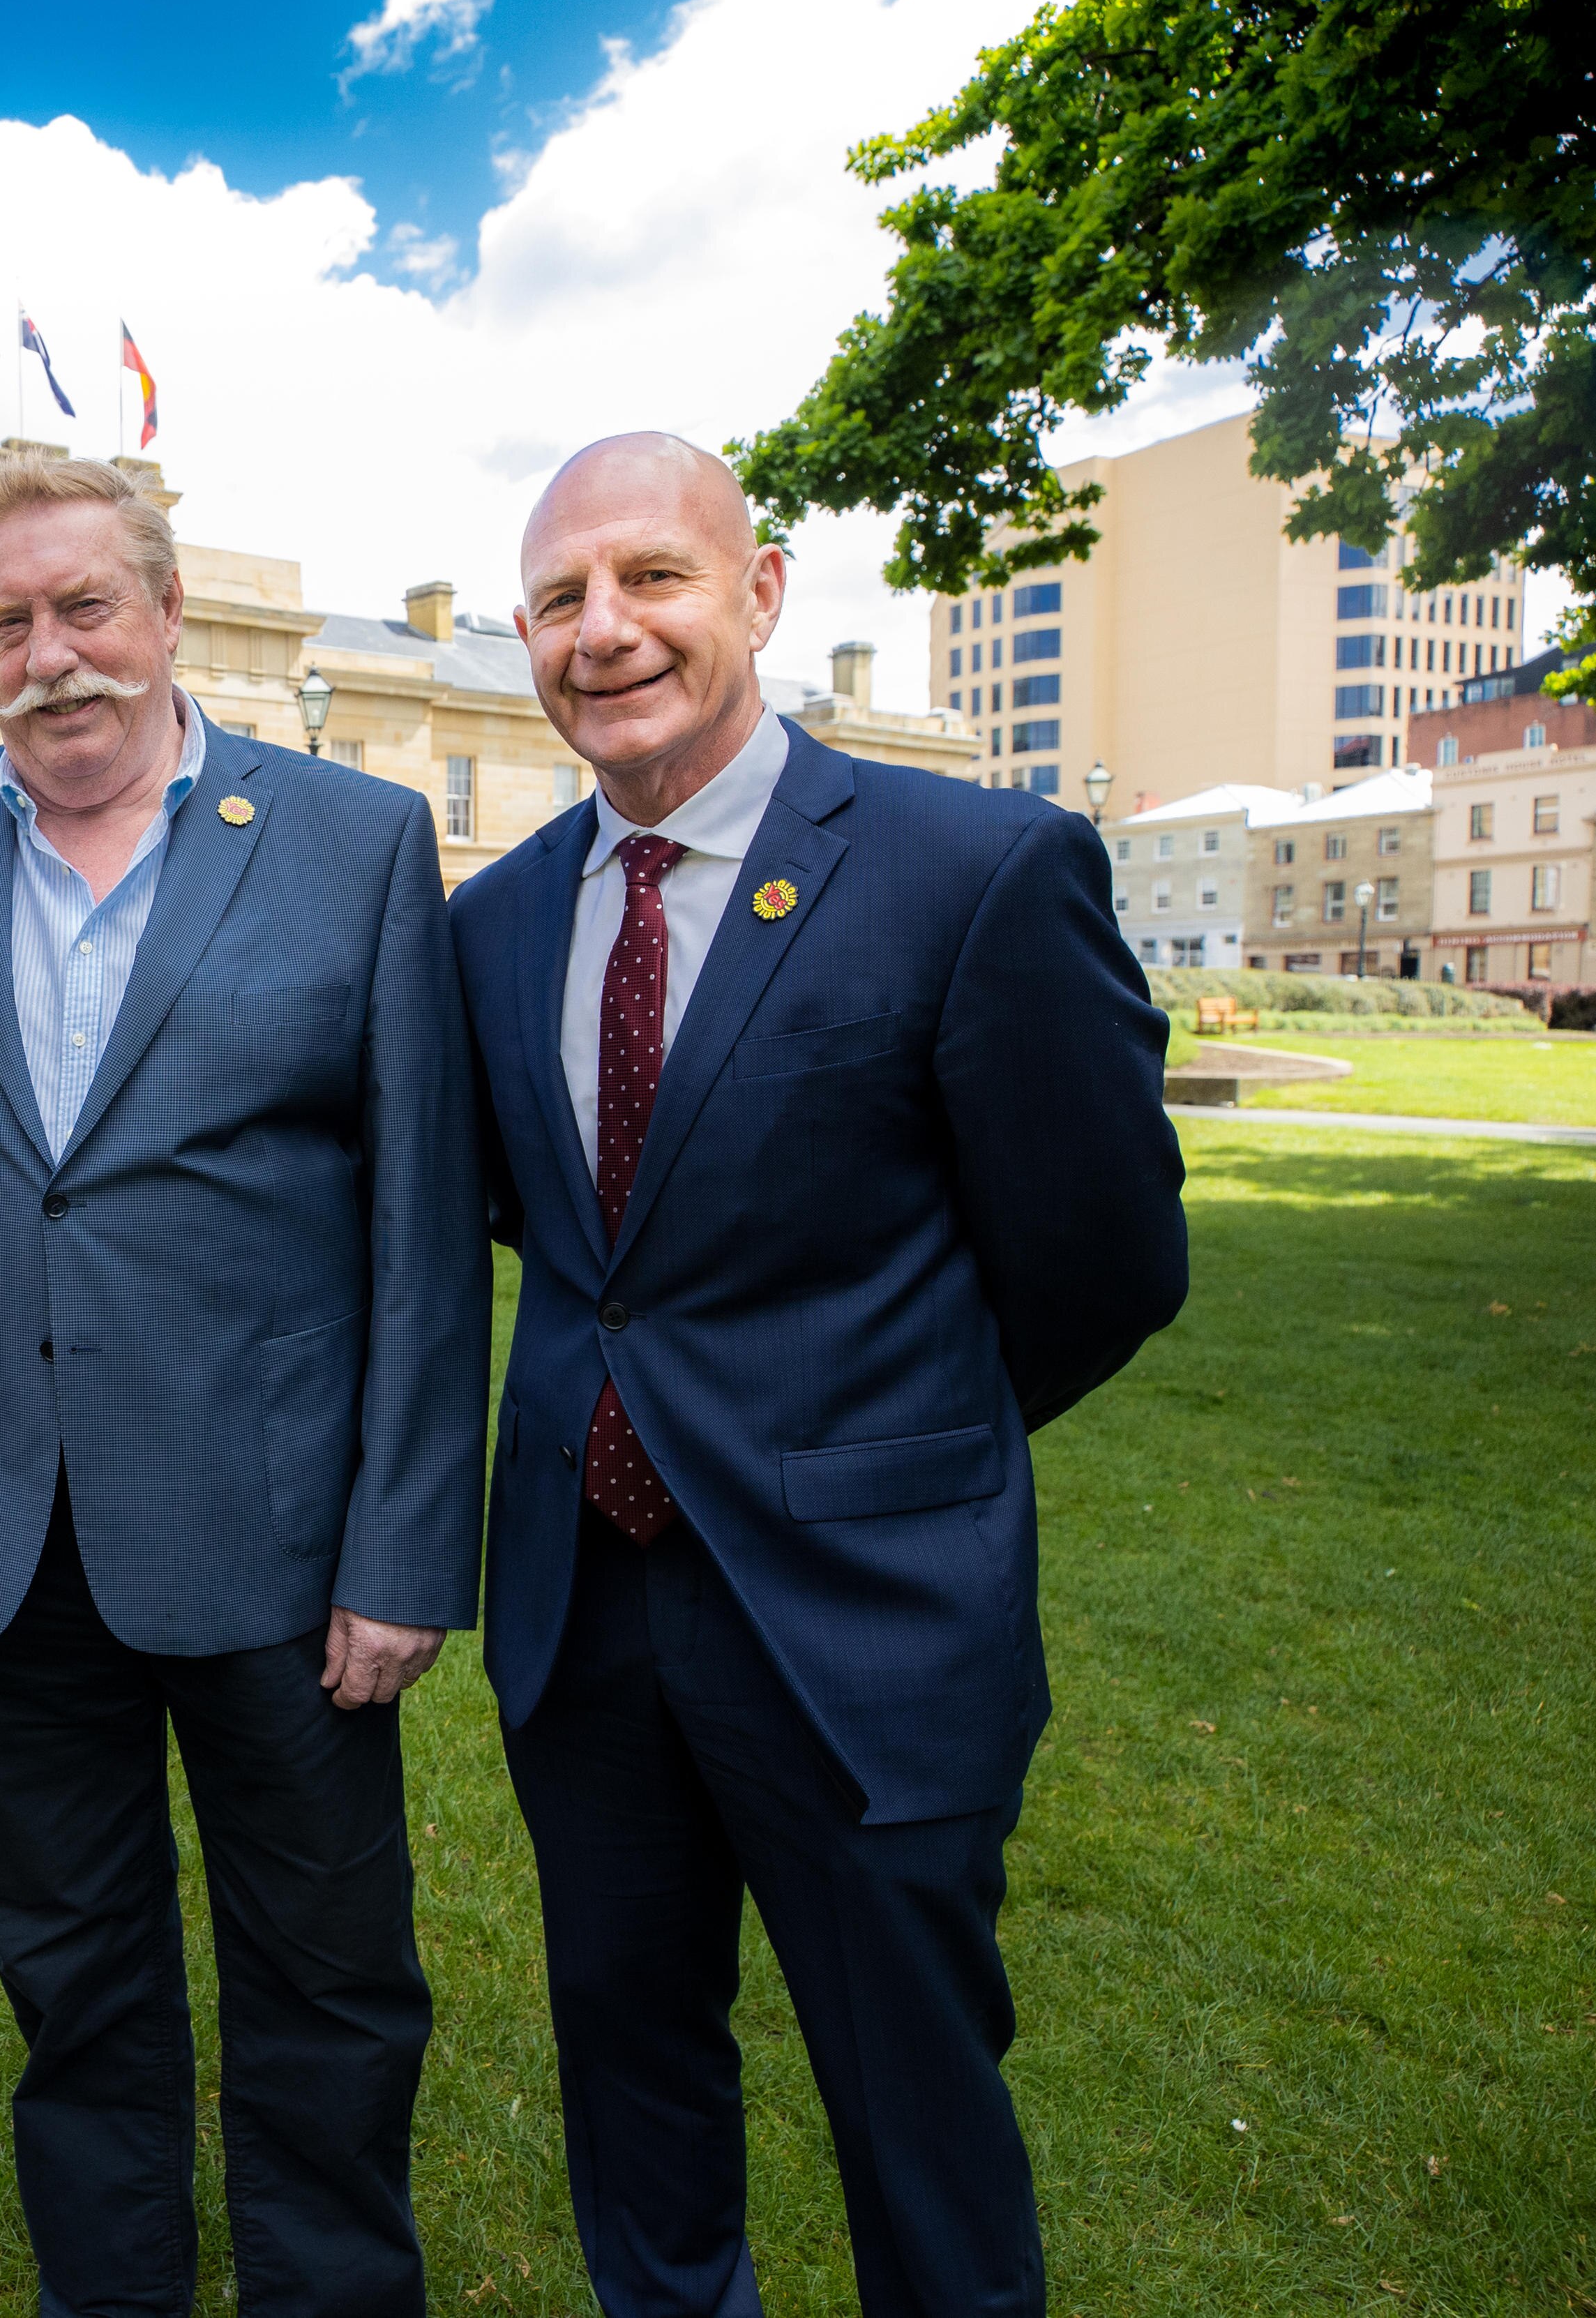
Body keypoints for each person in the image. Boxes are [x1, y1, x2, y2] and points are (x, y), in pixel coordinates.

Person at [446, 433, 1188, 2315]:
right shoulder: (495, 922)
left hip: (867, 1623)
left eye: (652, 578)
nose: (603, 628)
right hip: (582, 1612)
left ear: (761, 594)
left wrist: (878, 1445)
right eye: (559, 597)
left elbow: (1104, 1260)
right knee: (638, 2082)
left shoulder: (975, 868)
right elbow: (555, 1234)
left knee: (915, 2106)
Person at [0, 453, 487, 2315]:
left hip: (281, 1544)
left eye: (86, 606)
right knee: (71, 1973)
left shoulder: (352, 840)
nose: (52, 655)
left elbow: (423, 1225)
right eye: (10, 622)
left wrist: (408, 1541)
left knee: (334, 1975)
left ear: (169, 613)